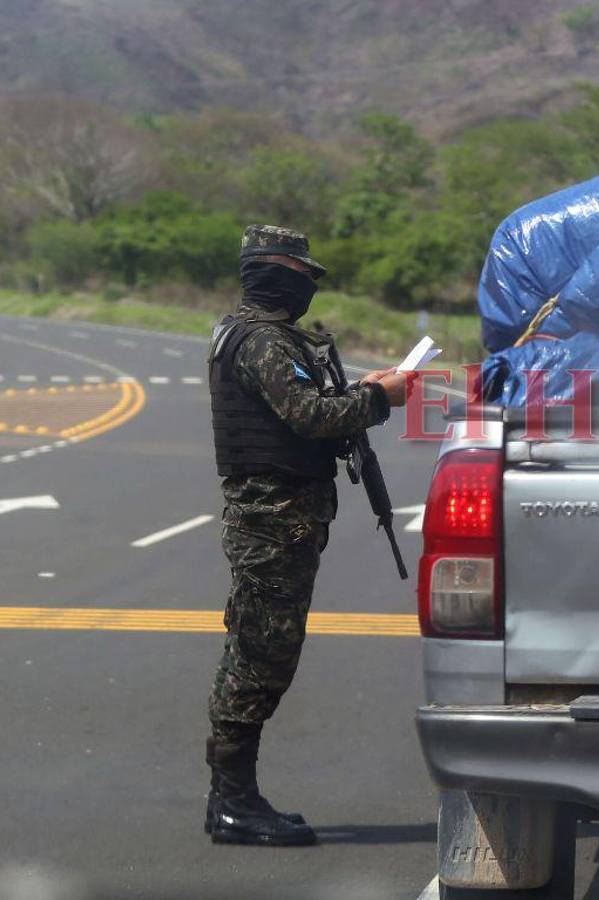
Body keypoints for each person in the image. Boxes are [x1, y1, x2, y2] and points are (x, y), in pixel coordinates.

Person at [204, 224, 409, 847]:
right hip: (271, 523)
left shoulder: (252, 333)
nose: (308, 286)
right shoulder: (264, 341)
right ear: (272, 272)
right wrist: (380, 399)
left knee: (260, 652)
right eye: (301, 274)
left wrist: (363, 389)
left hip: (279, 521)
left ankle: (233, 799)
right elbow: (310, 416)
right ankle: (233, 803)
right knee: (260, 657)